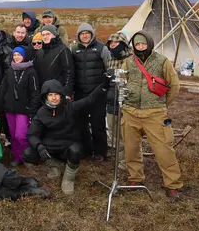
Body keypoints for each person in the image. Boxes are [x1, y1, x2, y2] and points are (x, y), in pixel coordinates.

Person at [121, 31, 184, 201]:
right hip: (131, 112)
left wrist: (161, 104)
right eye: (137, 44)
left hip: (155, 114)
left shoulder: (162, 61)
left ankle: (172, 184)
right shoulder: (128, 62)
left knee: (164, 149)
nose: (140, 47)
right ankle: (135, 178)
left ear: (149, 43)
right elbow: (122, 83)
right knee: (131, 149)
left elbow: (174, 85)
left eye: (143, 44)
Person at [25, 78, 109, 195]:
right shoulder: (41, 112)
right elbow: (32, 134)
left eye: (56, 95)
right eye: (50, 95)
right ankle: (56, 167)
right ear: (45, 97)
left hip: (67, 145)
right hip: (50, 146)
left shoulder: (70, 107)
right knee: (28, 153)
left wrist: (103, 87)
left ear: (61, 96)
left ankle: (68, 179)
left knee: (75, 151)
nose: (54, 98)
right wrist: (40, 147)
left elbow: (89, 100)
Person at [71, 23, 111, 162]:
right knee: (81, 123)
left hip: (98, 93)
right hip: (81, 93)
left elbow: (108, 68)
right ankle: (86, 149)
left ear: (92, 34)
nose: (85, 35)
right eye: (82, 33)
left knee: (97, 123)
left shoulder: (102, 48)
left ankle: (100, 151)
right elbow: (72, 71)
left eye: (87, 33)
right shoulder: (74, 49)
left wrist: (105, 87)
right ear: (79, 35)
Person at [1, 46, 40, 166]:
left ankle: (27, 157)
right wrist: (4, 103)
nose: (16, 57)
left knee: (21, 135)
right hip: (10, 108)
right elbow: (4, 89)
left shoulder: (31, 71)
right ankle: (17, 157)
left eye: (19, 55)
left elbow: (35, 92)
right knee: (13, 135)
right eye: (15, 55)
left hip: (24, 109)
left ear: (24, 56)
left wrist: (32, 109)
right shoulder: (10, 70)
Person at [106, 32, 131, 157]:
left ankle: (129, 160)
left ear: (122, 45)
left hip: (126, 104)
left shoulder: (131, 60)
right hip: (111, 102)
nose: (113, 45)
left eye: (116, 43)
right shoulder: (110, 60)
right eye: (111, 43)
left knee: (127, 133)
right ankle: (119, 159)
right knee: (113, 132)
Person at [34, 25, 73, 97]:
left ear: (54, 35)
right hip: (44, 92)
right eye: (43, 35)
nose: (45, 37)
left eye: (48, 34)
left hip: (59, 92)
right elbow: (36, 74)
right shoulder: (39, 52)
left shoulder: (63, 50)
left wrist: (67, 92)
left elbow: (69, 73)